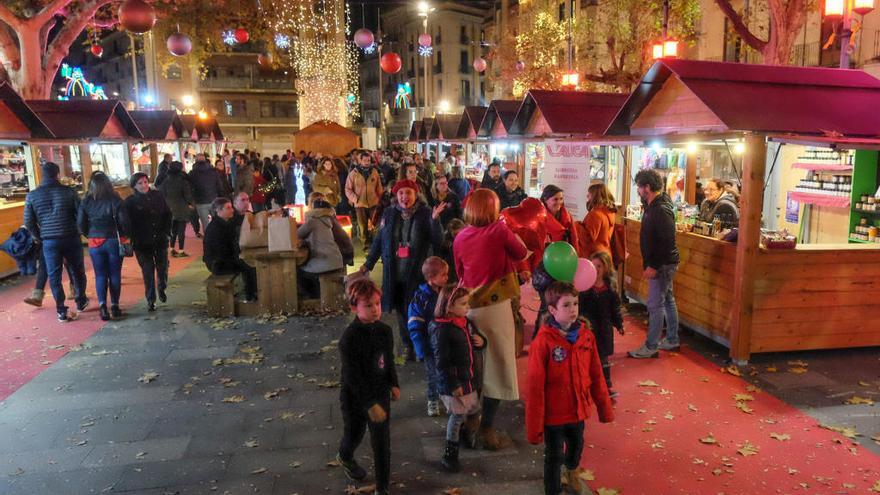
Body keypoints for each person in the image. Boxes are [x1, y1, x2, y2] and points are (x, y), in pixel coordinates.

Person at [453, 188, 529, 450]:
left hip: (470, 308)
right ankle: (487, 428)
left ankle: (470, 419)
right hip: (497, 308)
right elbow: (521, 252)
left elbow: (459, 271)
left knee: (475, 367)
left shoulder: (460, 236)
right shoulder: (499, 230)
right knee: (498, 365)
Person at [526, 281, 614, 495]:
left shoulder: (586, 336)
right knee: (554, 457)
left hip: (577, 411)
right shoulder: (543, 342)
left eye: (575, 303)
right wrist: (534, 426)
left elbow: (596, 373)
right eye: (566, 305)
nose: (573, 309)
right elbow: (535, 387)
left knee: (576, 448)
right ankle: (553, 490)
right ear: (553, 310)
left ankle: (572, 471)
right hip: (553, 416)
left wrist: (605, 407)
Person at [361, 179, 442, 361]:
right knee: (400, 310)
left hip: (416, 273)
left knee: (417, 310)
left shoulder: (426, 213)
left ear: (416, 194)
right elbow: (379, 241)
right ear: (396, 196)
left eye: (408, 193)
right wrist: (368, 264)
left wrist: (436, 221)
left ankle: (421, 345)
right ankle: (408, 346)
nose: (405, 197)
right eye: (401, 193)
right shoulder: (389, 214)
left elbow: (438, 241)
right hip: (394, 273)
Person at [335, 279, 400, 495]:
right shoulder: (349, 339)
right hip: (355, 397)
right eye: (369, 305)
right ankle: (345, 456)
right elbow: (353, 377)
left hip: (379, 392)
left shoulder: (385, 331)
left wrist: (393, 383)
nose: (375, 310)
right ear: (354, 308)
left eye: (378, 303)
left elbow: (387, 359)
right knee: (354, 433)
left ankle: (382, 488)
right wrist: (369, 404)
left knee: (382, 441)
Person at [23, 162, 89, 322]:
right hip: (71, 237)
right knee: (78, 271)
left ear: (41, 175)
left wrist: (40, 236)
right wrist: (80, 230)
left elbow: (29, 221)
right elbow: (80, 214)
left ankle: (61, 310)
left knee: (54, 276)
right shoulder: (69, 192)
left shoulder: (32, 195)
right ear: (57, 174)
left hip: (49, 241)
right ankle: (80, 301)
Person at [430, 284, 486, 472]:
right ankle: (450, 454)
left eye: (467, 303)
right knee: (457, 417)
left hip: (468, 378)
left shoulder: (464, 323)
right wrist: (453, 384)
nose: (467, 307)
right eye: (463, 304)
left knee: (473, 409)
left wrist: (480, 341)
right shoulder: (443, 330)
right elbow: (442, 361)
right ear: (449, 305)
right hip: (455, 383)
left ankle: (466, 435)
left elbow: (470, 346)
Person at [628, 169, 680, 359]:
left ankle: (651, 346)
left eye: (639, 187)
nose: (638, 191)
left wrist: (653, 265)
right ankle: (672, 339)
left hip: (662, 265)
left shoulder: (659, 208)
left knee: (655, 305)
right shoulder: (658, 204)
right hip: (665, 263)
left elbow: (666, 241)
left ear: (647, 187)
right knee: (667, 300)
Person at [78, 172, 130, 321]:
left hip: (95, 241)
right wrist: (126, 235)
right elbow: (124, 221)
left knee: (100, 274)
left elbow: (81, 224)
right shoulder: (116, 200)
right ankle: (114, 305)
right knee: (115, 274)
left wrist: (90, 235)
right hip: (114, 239)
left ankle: (102, 306)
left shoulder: (86, 201)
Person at [532, 184, 581, 334]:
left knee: (561, 303)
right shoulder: (539, 219)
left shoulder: (567, 217)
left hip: (564, 267)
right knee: (547, 304)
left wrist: (575, 263)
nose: (559, 202)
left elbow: (574, 240)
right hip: (544, 268)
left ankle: (558, 335)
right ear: (546, 200)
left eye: (561, 199)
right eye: (555, 199)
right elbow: (533, 244)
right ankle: (540, 336)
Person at [407, 256, 449, 417]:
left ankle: (443, 396)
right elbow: (415, 325)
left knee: (443, 371)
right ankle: (432, 400)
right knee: (433, 375)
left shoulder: (444, 293)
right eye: (443, 275)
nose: (447, 278)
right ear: (431, 278)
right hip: (430, 345)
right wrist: (420, 348)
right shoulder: (421, 299)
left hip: (442, 343)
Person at [579, 251, 625, 398]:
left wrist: (619, 324)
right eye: (593, 266)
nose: (596, 269)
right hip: (588, 329)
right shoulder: (585, 288)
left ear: (606, 268)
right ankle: (585, 385)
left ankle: (605, 386)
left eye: (600, 266)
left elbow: (615, 308)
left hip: (604, 329)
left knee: (603, 358)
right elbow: (580, 307)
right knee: (586, 357)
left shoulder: (610, 288)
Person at [125, 173, 172, 312]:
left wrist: (167, 232)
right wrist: (131, 236)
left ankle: (162, 287)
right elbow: (127, 222)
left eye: (145, 182)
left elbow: (167, 214)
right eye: (140, 183)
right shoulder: (130, 202)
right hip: (141, 242)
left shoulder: (158, 195)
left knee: (162, 268)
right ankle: (150, 299)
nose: (144, 185)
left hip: (160, 238)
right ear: (134, 186)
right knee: (147, 270)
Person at [296, 192, 353, 298]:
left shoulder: (312, 221)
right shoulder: (329, 219)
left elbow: (295, 235)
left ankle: (312, 298)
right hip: (338, 259)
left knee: (299, 270)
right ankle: (318, 296)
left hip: (326, 260)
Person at [203, 197, 257, 302]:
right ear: (218, 211)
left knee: (248, 265)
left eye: (231, 207)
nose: (232, 210)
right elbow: (221, 251)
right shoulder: (216, 228)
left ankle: (251, 294)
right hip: (217, 264)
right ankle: (251, 296)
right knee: (249, 267)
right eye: (228, 208)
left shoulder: (224, 223)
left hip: (221, 260)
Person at [345, 151, 384, 249]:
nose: (367, 162)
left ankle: (376, 243)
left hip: (373, 202)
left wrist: (381, 198)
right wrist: (355, 199)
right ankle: (366, 245)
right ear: (360, 161)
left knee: (376, 224)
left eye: (368, 160)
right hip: (360, 204)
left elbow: (379, 186)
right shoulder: (353, 173)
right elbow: (348, 189)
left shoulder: (374, 172)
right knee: (362, 226)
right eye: (365, 160)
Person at [158, 161, 193, 258]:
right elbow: (188, 196)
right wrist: (191, 204)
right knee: (181, 230)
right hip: (181, 208)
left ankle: (172, 248)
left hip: (169, 208)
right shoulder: (183, 181)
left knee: (172, 230)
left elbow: (161, 194)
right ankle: (181, 250)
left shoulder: (165, 181)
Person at [577, 182, 617, 258]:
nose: (587, 196)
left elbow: (587, 239)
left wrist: (577, 225)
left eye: (589, 194)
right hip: (605, 254)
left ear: (595, 196)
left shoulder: (595, 214)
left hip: (594, 256)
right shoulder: (610, 212)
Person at [190, 154, 226, 233]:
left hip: (200, 201)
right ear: (205, 160)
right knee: (216, 220)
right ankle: (218, 236)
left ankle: (208, 239)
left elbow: (190, 188)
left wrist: (192, 200)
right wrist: (221, 197)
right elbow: (219, 185)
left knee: (205, 222)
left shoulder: (192, 173)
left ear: (195, 161)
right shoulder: (213, 171)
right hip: (214, 199)